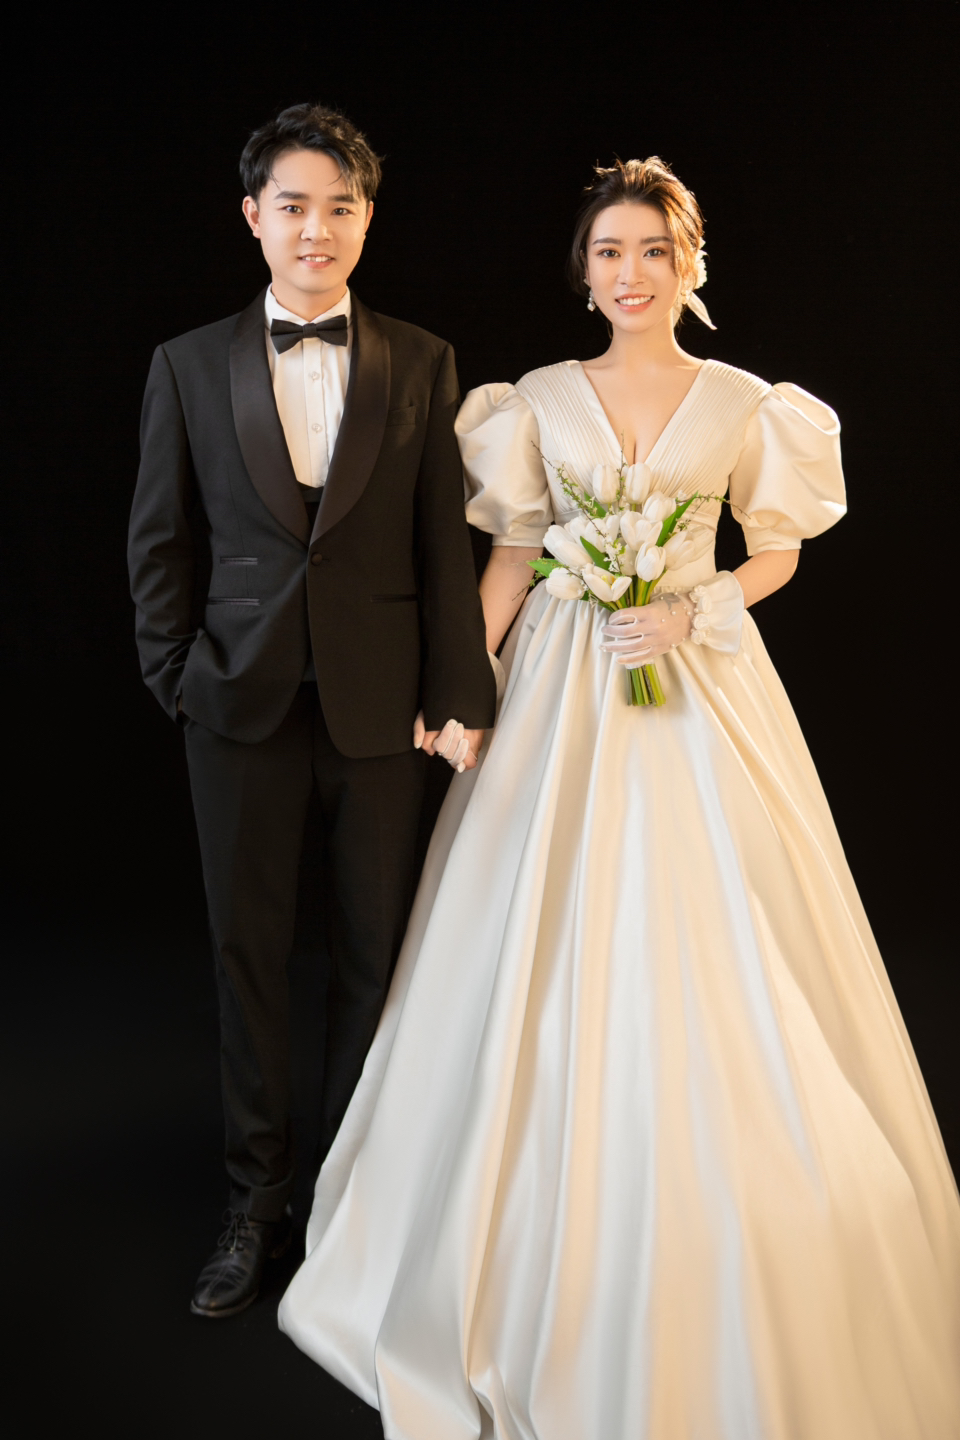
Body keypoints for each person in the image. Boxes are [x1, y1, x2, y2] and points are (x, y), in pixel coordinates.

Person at [277, 158, 960, 1436]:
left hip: (695, 677)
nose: (630, 273)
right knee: (527, 921)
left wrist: (696, 607)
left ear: (690, 262)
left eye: (652, 250)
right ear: (584, 273)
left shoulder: (750, 403)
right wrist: (464, 686)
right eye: (608, 253)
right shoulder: (534, 399)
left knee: (720, 919)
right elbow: (513, 553)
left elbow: (777, 550)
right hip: (561, 684)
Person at [127, 103, 495, 1320]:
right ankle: (256, 1201)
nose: (315, 229)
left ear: (367, 220)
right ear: (254, 217)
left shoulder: (423, 361)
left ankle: (354, 1205)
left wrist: (457, 692)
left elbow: (444, 544)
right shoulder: (186, 363)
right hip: (234, 705)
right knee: (249, 959)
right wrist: (177, 677)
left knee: (374, 959)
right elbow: (159, 541)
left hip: (383, 713)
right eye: (292, 206)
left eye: (340, 207)